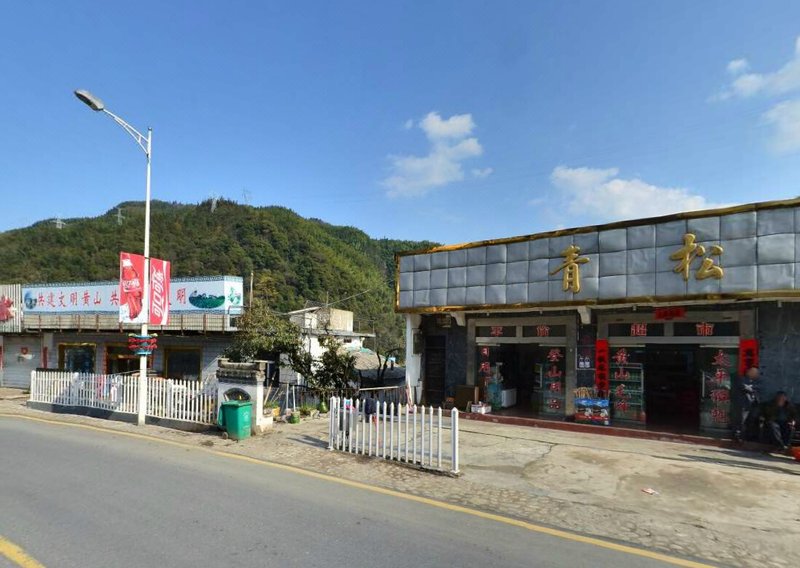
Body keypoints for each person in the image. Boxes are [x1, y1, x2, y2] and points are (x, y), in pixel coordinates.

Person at [735, 366, 761, 441]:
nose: (756, 374)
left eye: (756, 373)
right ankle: (738, 436)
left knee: (751, 421)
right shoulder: (742, 379)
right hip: (744, 404)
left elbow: (759, 388)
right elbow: (744, 387)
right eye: (754, 372)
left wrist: (752, 388)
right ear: (748, 372)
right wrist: (752, 388)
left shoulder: (755, 382)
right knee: (741, 420)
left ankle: (748, 437)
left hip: (753, 405)